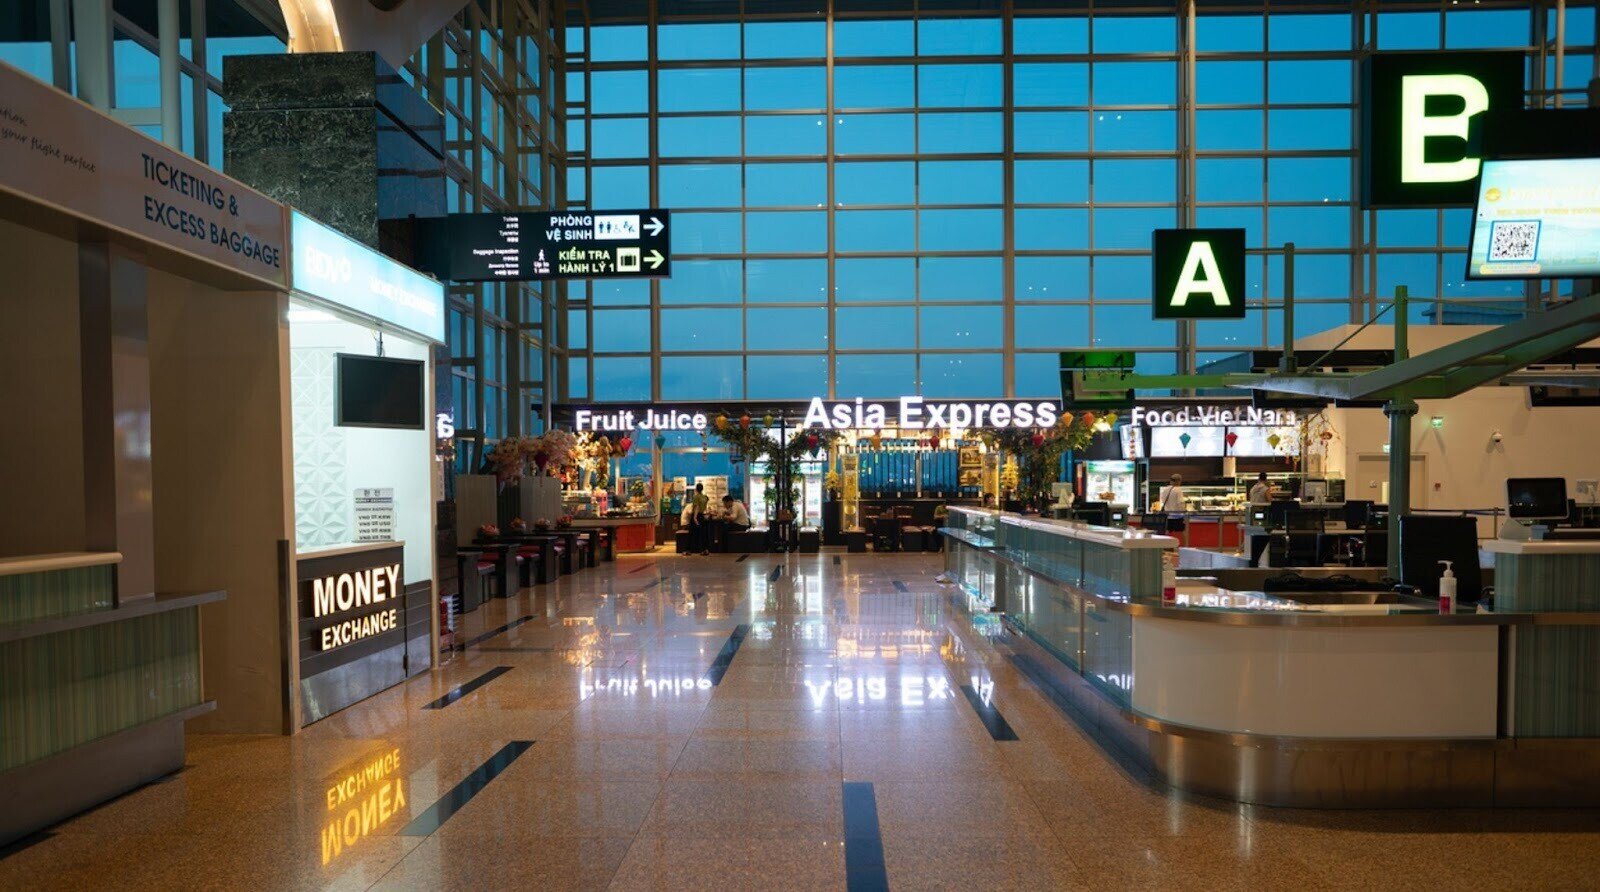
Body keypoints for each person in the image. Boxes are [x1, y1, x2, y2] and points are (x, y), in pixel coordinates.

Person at [689, 483, 711, 555]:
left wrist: (695, 518)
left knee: (695, 533)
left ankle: (697, 550)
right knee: (703, 533)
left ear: (696, 489)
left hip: (697, 515)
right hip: (702, 516)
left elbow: (697, 507)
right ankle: (705, 549)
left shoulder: (696, 497)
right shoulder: (705, 497)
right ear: (702, 488)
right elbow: (705, 507)